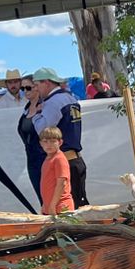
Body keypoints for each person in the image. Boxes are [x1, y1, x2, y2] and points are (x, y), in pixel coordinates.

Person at [28, 67, 87, 206]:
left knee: (65, 205)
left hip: (63, 161)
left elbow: (42, 129)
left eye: (36, 85)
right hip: (75, 158)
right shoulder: (70, 98)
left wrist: (35, 115)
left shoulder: (53, 102)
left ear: (46, 83)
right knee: (79, 201)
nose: (36, 89)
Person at [39, 126, 76, 214]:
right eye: (45, 141)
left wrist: (52, 205)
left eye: (53, 141)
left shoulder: (59, 159)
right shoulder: (48, 159)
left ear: (60, 142)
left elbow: (61, 183)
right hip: (51, 206)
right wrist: (45, 204)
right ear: (40, 143)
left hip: (61, 207)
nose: (49, 144)